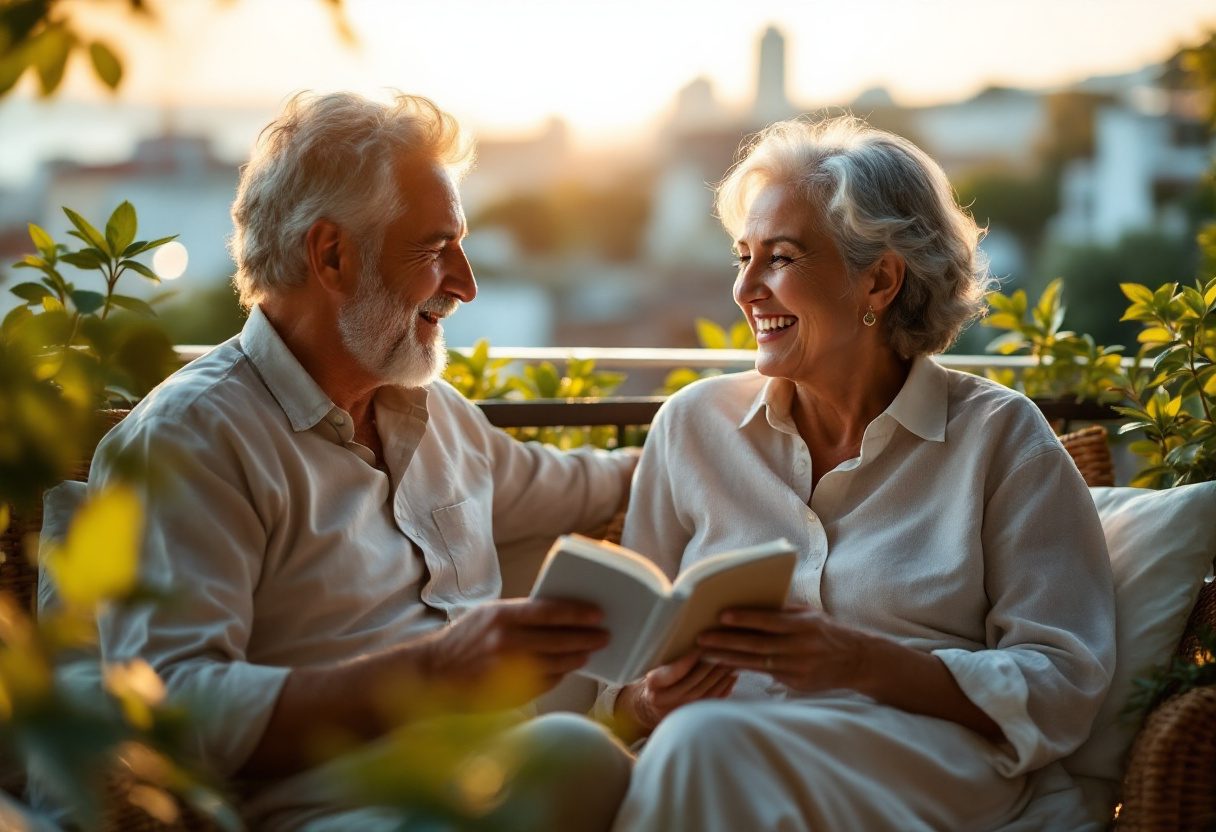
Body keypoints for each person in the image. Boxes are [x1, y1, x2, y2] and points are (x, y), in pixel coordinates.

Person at [79, 92, 634, 831]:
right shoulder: (192, 441)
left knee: (671, 755)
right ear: (332, 255)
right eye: (435, 249)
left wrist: (744, 431)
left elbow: (593, 482)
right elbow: (169, 706)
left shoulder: (440, 420)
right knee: (581, 755)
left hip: (484, 788)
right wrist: (434, 671)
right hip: (330, 816)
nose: (466, 284)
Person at [604, 117, 1116, 831]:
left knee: (701, 744)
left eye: (780, 258)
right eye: (743, 257)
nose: (745, 289)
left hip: (924, 768)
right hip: (713, 762)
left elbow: (1062, 683)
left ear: (878, 280)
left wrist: (861, 662)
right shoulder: (692, 427)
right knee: (667, 745)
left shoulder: (1001, 438)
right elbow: (618, 673)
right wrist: (649, 701)